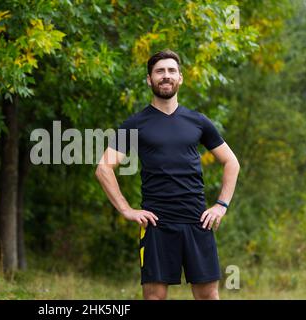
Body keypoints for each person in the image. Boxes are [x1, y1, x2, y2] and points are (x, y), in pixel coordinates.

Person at [95, 49, 240, 300]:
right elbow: (104, 168)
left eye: (171, 71)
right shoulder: (135, 124)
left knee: (208, 295)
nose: (166, 76)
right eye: (160, 71)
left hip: (198, 221)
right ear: (149, 79)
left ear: (180, 78)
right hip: (156, 224)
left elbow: (231, 162)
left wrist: (220, 205)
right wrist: (126, 210)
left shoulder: (199, 121)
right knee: (154, 297)